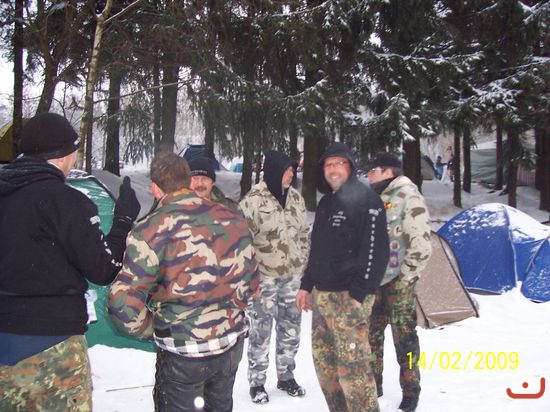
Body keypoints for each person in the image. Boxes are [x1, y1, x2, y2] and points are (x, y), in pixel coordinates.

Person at [0, 112, 141, 411]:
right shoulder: (66, 202)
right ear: (64, 155)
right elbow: (103, 268)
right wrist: (123, 220)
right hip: (52, 346)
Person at [107, 152, 259, 412]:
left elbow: (122, 304)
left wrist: (152, 328)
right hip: (229, 346)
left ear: (155, 188)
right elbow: (252, 284)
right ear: (188, 181)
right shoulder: (233, 219)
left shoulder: (150, 229)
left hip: (182, 352)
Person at [295, 142, 389, 412]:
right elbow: (317, 249)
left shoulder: (367, 201)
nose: (333, 169)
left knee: (354, 372)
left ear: (350, 167)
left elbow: (377, 252)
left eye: (339, 163)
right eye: (328, 164)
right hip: (322, 299)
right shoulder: (327, 202)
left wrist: (359, 293)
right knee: (326, 369)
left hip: (349, 298)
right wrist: (306, 285)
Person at [239, 150, 310, 404]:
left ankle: (286, 376)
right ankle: (257, 382)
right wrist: (250, 280)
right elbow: (242, 244)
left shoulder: (296, 199)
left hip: (292, 278)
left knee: (291, 328)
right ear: (274, 171)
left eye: (293, 170)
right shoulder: (252, 201)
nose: (291, 174)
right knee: (260, 331)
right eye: (287, 170)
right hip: (264, 279)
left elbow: (304, 235)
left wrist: (304, 268)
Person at [365, 152, 432, 412]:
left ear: (388, 171)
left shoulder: (408, 196)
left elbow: (421, 244)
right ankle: (374, 383)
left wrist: (406, 278)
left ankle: (411, 391)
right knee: (371, 336)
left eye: (373, 170)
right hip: (376, 282)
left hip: (399, 284)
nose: (369, 174)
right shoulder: (377, 197)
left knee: (405, 340)